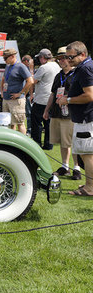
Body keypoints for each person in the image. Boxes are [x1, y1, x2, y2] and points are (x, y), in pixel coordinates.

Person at [57, 41, 93, 195]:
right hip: (84, 117)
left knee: (87, 154)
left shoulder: (85, 68)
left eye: (71, 57)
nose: (68, 60)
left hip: (86, 118)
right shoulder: (84, 67)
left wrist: (68, 100)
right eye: (66, 56)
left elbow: (90, 95)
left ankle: (90, 187)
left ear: (82, 54)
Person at [43, 47, 81, 179]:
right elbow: (53, 94)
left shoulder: (77, 74)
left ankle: (76, 167)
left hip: (71, 113)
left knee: (72, 141)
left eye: (64, 58)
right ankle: (65, 166)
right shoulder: (58, 75)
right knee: (61, 141)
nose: (62, 61)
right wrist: (47, 110)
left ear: (70, 59)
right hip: (57, 112)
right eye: (59, 58)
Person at [31, 49, 61, 149]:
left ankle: (36, 143)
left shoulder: (43, 67)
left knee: (37, 122)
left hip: (41, 98)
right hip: (52, 97)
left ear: (43, 57)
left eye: (40, 57)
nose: (39, 60)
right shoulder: (56, 65)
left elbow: (33, 81)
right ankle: (49, 144)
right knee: (48, 123)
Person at [0, 48, 34, 134]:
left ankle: (23, 143)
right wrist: (2, 92)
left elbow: (30, 81)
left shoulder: (21, 66)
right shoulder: (8, 66)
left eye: (5, 58)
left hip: (16, 100)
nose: (4, 60)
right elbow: (4, 79)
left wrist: (21, 93)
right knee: (9, 123)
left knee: (20, 123)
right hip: (7, 99)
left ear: (12, 56)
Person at [21, 55, 35, 135]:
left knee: (29, 113)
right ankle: (29, 130)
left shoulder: (30, 70)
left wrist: (30, 94)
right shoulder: (24, 69)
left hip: (28, 95)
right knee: (27, 113)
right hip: (26, 94)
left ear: (26, 61)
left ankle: (30, 130)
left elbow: (31, 82)